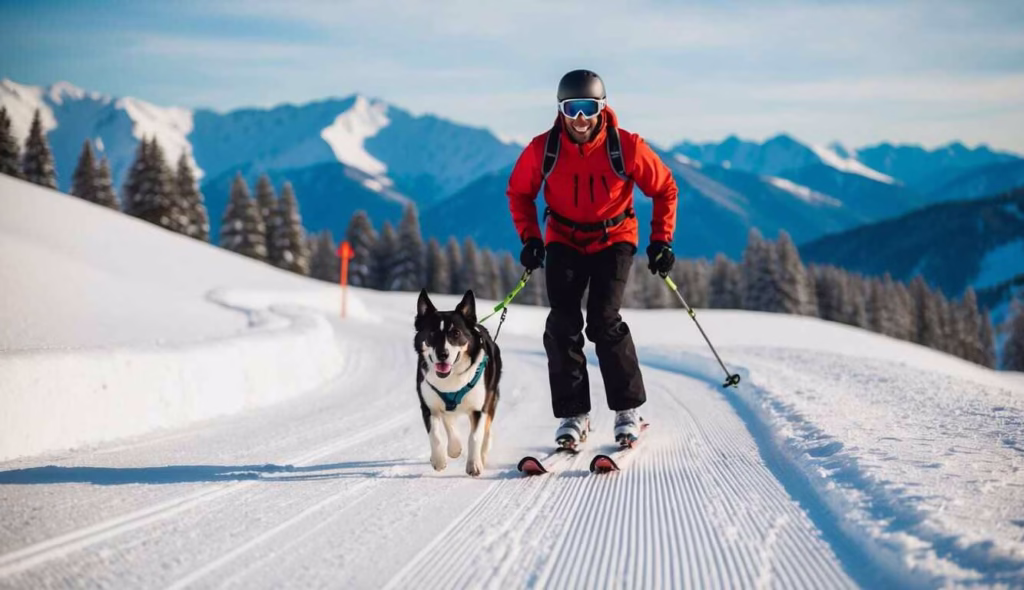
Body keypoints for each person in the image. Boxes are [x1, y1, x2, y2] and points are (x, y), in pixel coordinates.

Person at [505, 69, 679, 448]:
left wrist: (661, 240)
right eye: (572, 108)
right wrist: (531, 238)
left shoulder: (627, 146)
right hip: (563, 239)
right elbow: (518, 193)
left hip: (614, 237)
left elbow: (665, 188)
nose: (580, 118)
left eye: (587, 108)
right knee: (563, 323)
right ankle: (573, 415)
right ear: (560, 110)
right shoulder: (543, 149)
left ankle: (627, 410)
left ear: (602, 107)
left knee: (603, 320)